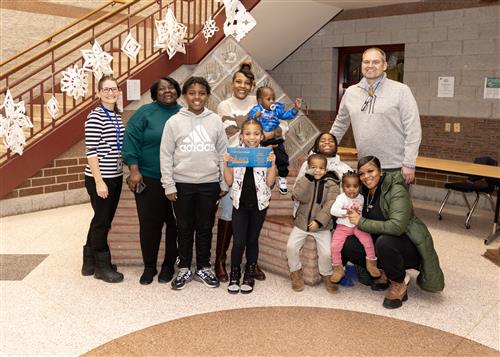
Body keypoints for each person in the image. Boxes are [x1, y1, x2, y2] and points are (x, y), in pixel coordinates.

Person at [341, 156, 444, 309]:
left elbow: (397, 227)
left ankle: (398, 283)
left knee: (385, 242)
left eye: (371, 171)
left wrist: (361, 221)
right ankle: (383, 272)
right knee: (347, 243)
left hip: (406, 245)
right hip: (382, 245)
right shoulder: (363, 192)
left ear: (380, 171)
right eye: (362, 174)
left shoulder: (396, 190)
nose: (366, 177)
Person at [160, 76, 228, 290]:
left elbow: (223, 153)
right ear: (185, 95)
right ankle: (185, 268)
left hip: (209, 184)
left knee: (206, 227)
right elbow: (165, 154)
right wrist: (168, 185)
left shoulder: (215, 120)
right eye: (192, 93)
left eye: (201, 93)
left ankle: (204, 267)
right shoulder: (174, 122)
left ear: (207, 95)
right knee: (184, 227)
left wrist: (223, 183)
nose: (197, 97)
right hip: (182, 184)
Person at [330, 47, 421, 185]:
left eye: (375, 62)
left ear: (384, 65)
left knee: (394, 207)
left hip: (394, 168)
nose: (370, 65)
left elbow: (413, 129)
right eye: (366, 62)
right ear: (361, 65)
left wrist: (409, 163)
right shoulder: (350, 92)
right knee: (365, 207)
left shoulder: (401, 90)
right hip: (365, 167)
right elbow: (340, 124)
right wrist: (323, 148)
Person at [122, 77, 181, 285]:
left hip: (177, 181)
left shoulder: (184, 114)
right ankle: (149, 267)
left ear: (177, 90)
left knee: (175, 226)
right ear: (155, 94)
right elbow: (130, 139)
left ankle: (168, 266)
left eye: (171, 87)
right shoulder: (145, 113)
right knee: (149, 225)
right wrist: (134, 169)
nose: (167, 91)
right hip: (149, 178)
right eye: (162, 88)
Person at [215, 62, 266, 283]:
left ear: (253, 85)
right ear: (232, 83)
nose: (242, 86)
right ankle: (220, 260)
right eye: (238, 81)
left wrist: (268, 132)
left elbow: (280, 126)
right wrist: (254, 126)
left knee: (253, 217)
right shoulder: (224, 105)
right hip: (232, 167)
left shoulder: (260, 102)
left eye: (247, 82)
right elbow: (232, 134)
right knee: (228, 215)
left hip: (256, 169)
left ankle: (250, 263)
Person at [223, 120, 276, 294]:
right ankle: (235, 273)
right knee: (238, 241)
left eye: (255, 134)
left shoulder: (265, 154)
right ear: (242, 136)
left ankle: (249, 273)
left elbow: (270, 182)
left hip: (259, 205)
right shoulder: (236, 154)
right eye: (247, 133)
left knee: (252, 240)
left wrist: (272, 164)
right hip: (239, 204)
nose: (251, 137)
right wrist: (226, 164)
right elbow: (229, 182)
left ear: (261, 136)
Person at [82, 75, 124, 283]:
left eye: (113, 89)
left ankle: (88, 262)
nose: (110, 93)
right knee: (102, 222)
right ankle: (102, 266)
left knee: (101, 218)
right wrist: (99, 181)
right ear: (98, 93)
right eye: (106, 89)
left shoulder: (115, 115)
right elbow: (91, 152)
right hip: (101, 178)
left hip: (114, 175)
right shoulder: (95, 117)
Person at [286, 154, 339, 294]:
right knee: (291, 247)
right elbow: (298, 196)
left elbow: (330, 205)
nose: (317, 170)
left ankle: (326, 274)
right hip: (302, 223)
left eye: (321, 168)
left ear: (326, 169)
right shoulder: (304, 180)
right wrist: (307, 179)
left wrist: (319, 221)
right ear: (308, 168)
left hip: (322, 226)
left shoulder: (332, 183)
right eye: (313, 167)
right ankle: (295, 272)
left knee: (327, 253)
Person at [248, 86, 302, 194]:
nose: (272, 101)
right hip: (261, 140)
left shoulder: (276, 109)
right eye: (268, 99)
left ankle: (282, 178)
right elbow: (250, 123)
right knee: (261, 160)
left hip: (275, 138)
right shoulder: (256, 110)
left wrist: (295, 109)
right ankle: (260, 179)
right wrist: (255, 117)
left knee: (282, 158)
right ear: (259, 100)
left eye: (273, 98)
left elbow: (286, 115)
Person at [329, 171, 380, 283]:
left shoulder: (361, 198)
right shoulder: (341, 198)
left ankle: (371, 264)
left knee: (368, 241)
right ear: (343, 187)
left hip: (358, 225)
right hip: (343, 226)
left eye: (355, 186)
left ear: (360, 186)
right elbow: (333, 210)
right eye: (348, 186)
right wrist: (345, 212)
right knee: (335, 246)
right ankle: (338, 269)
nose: (352, 189)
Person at [293, 132, 351, 217]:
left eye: (331, 141)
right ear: (317, 146)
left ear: (336, 146)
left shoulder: (345, 168)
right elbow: (297, 187)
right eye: (323, 140)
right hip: (306, 214)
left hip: (331, 216)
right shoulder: (307, 165)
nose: (327, 142)